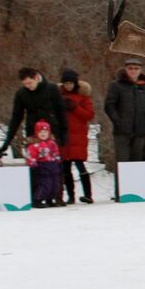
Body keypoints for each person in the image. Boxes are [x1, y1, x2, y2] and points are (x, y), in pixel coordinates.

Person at [104, 58, 145, 199]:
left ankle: (135, 192)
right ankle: (120, 193)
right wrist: (118, 121)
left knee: (136, 162)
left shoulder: (144, 87)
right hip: (122, 132)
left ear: (141, 70)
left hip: (139, 132)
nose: (133, 71)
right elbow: (109, 106)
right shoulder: (116, 86)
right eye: (131, 68)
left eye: (136, 68)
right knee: (122, 163)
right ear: (126, 69)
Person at [2, 67, 67, 160]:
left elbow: (61, 111)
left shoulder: (52, 89)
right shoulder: (21, 93)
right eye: (25, 84)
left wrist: (64, 131)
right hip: (32, 132)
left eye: (30, 83)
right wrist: (8, 139)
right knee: (34, 162)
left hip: (51, 132)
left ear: (36, 78)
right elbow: (16, 117)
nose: (28, 86)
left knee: (53, 162)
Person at [57, 69, 95, 203]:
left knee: (80, 166)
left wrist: (75, 108)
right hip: (65, 137)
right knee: (66, 168)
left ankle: (88, 194)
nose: (69, 86)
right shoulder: (59, 98)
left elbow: (89, 115)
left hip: (78, 137)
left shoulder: (83, 98)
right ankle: (71, 196)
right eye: (66, 83)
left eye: (71, 83)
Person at [26, 120, 63, 208]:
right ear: (37, 132)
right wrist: (33, 163)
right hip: (42, 166)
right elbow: (31, 155)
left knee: (55, 184)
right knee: (44, 184)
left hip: (53, 166)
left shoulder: (52, 143)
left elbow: (56, 153)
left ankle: (50, 198)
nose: (43, 134)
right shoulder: (35, 145)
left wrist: (57, 159)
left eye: (45, 132)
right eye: (41, 132)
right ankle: (37, 199)